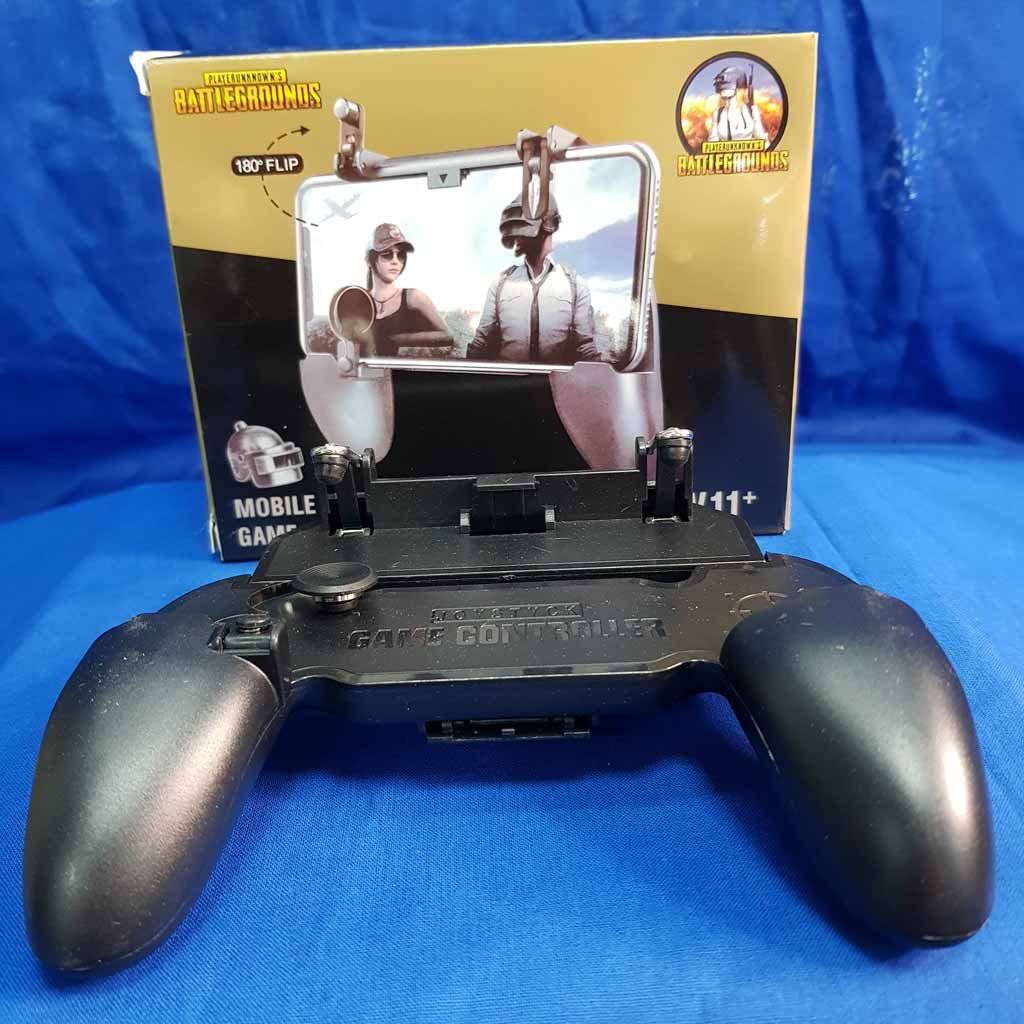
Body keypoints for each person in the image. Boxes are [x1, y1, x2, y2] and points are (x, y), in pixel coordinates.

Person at [468, 192, 599, 365]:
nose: (517, 237)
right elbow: (480, 344)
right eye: (515, 229)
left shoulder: (575, 285)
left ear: (550, 224)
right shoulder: (500, 283)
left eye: (522, 226)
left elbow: (586, 348)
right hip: (506, 380)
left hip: (556, 380)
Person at [361, 223, 450, 357]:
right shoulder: (359, 302)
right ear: (370, 260)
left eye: (401, 255)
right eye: (387, 254)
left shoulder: (414, 297)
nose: (395, 261)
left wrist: (398, 340)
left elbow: (447, 336)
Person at [708, 66, 768, 143]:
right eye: (722, 90)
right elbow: (712, 141)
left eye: (726, 89)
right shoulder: (717, 114)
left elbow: (762, 137)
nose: (724, 93)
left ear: (739, 89)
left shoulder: (752, 111)